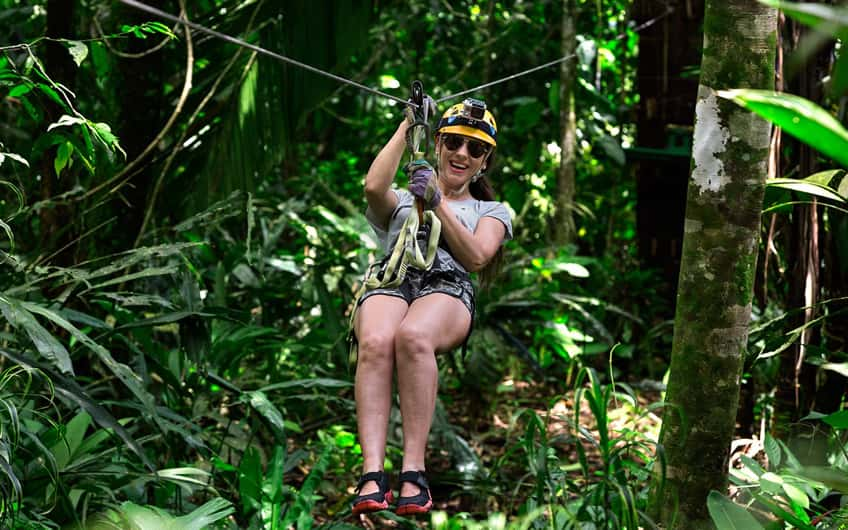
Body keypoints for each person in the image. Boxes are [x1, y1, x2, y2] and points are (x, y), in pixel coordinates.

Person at [350, 98, 513, 516]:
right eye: (454, 142)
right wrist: (409, 125)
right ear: (438, 143)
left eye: (475, 149)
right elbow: (372, 187)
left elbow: (477, 256)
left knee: (413, 336)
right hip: (396, 275)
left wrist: (438, 201)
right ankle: (372, 474)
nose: (462, 153)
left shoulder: (490, 211)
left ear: (484, 162)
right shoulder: (405, 198)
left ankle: (414, 474)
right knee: (375, 341)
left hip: (448, 287)